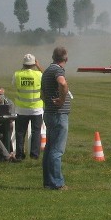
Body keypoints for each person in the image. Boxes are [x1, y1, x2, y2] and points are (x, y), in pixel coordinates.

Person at [42, 46, 71, 190]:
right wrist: (61, 99)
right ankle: (57, 183)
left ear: (53, 57)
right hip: (58, 114)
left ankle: (48, 181)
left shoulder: (47, 71)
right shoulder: (58, 71)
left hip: (48, 112)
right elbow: (62, 83)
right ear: (65, 58)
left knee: (49, 148)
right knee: (57, 150)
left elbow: (42, 94)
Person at [13, 53, 43, 160]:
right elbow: (47, 76)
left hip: (21, 109)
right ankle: (34, 155)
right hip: (36, 108)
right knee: (36, 131)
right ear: (34, 63)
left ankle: (20, 155)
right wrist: (39, 66)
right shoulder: (39, 75)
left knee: (20, 132)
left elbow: (14, 84)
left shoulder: (17, 74)